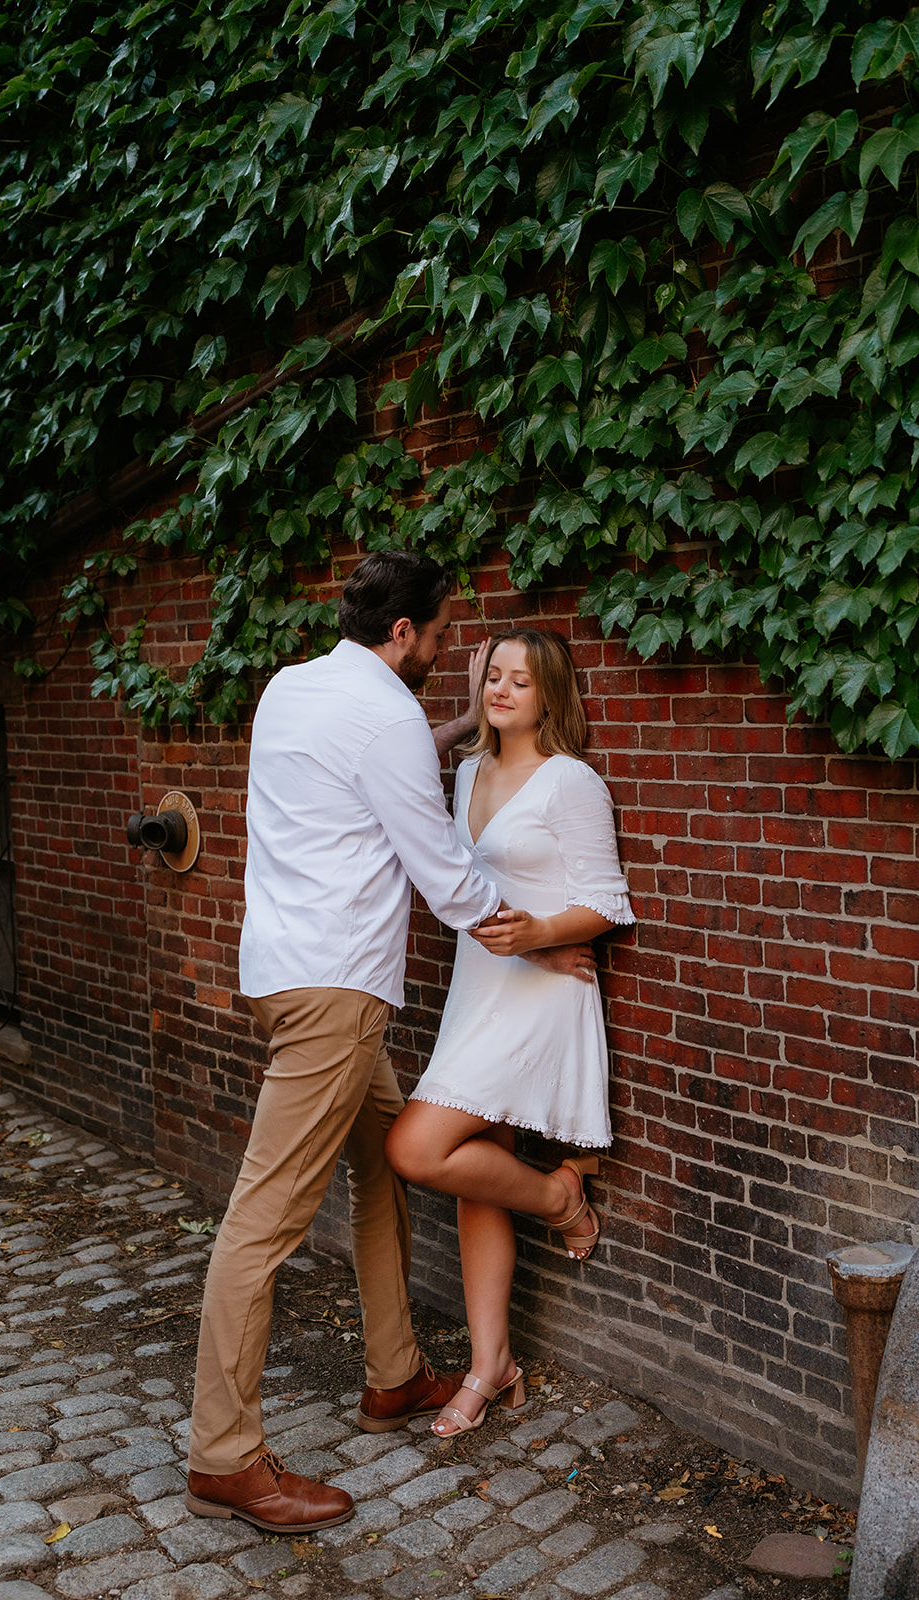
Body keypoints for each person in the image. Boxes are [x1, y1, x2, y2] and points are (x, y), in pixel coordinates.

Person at [184, 554, 586, 1536]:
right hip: (334, 998)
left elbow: (370, 760)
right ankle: (223, 1455)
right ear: (402, 631)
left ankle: (393, 1374)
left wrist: (439, 734)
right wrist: (538, 936)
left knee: (382, 1168)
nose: (449, 649)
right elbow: (445, 875)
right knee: (262, 1220)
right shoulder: (386, 721)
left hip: (280, 974)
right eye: (442, 633)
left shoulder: (294, 686)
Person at [385, 628, 634, 1437]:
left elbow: (606, 904)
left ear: (549, 696)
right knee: (471, 1166)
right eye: (492, 675)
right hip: (477, 991)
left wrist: (542, 934)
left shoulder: (570, 782)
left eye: (519, 682)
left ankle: (561, 1196)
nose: (500, 690)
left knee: (416, 1150)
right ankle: (492, 1366)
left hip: (539, 994)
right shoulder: (465, 773)